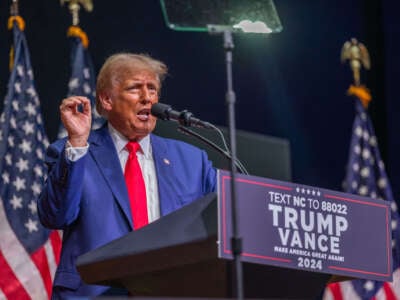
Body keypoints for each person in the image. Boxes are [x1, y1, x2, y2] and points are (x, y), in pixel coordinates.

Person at [37, 53, 217, 298]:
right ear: (107, 99)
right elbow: (55, 216)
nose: (147, 98)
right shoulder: (73, 152)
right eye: (135, 88)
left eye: (152, 90)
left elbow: (225, 220)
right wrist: (78, 143)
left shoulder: (193, 160)